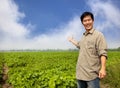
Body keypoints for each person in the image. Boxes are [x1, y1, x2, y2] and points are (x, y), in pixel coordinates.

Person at [68, 11, 107, 88]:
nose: (87, 22)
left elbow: (103, 53)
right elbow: (80, 45)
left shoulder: (99, 35)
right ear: (82, 23)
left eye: (89, 20)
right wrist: (72, 40)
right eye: (85, 21)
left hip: (91, 75)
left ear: (93, 21)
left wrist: (103, 68)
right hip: (80, 73)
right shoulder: (84, 36)